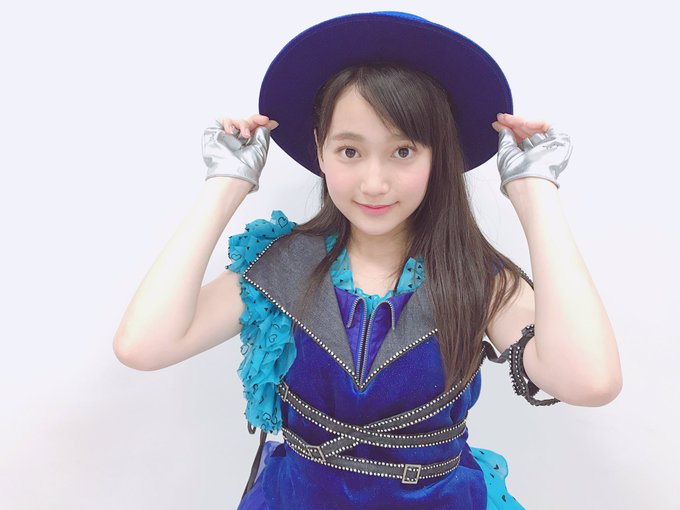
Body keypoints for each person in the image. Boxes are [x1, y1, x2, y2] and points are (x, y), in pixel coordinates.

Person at [113, 11, 622, 510]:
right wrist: (226, 183)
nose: (374, 183)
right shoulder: (278, 267)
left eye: (403, 152)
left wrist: (535, 192)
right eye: (350, 152)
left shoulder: (476, 279)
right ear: (320, 149)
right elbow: (143, 346)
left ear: (437, 156)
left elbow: (591, 381)